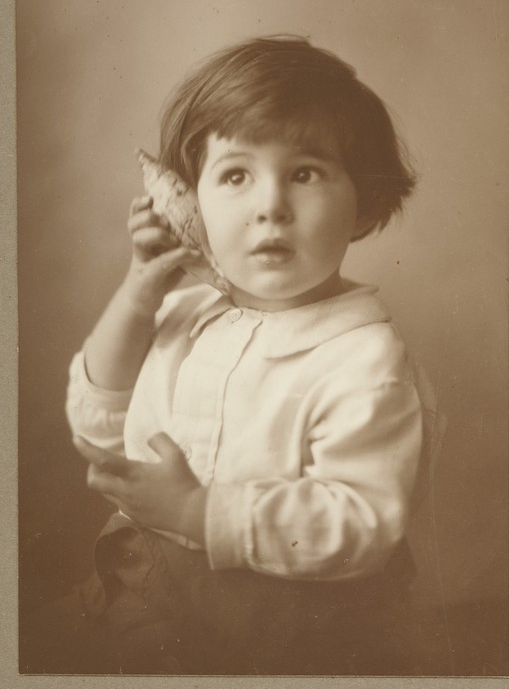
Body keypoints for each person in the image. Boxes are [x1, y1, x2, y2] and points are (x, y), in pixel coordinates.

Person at [49, 36, 441, 675]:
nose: (270, 208)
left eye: (305, 173)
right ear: (193, 204)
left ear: (364, 204)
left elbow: (363, 523)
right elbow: (98, 424)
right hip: (152, 596)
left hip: (290, 627)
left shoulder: (365, 361)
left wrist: (197, 513)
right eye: (235, 175)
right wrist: (137, 295)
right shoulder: (184, 313)